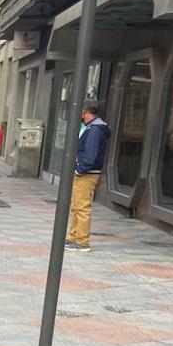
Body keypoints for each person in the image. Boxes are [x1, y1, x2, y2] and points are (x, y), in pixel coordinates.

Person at [67, 101, 110, 253]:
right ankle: (74, 237)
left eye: (82, 112)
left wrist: (80, 169)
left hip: (87, 173)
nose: (80, 115)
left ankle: (82, 241)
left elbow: (90, 154)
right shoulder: (95, 128)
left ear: (86, 112)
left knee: (82, 206)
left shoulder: (94, 130)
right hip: (88, 171)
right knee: (77, 206)